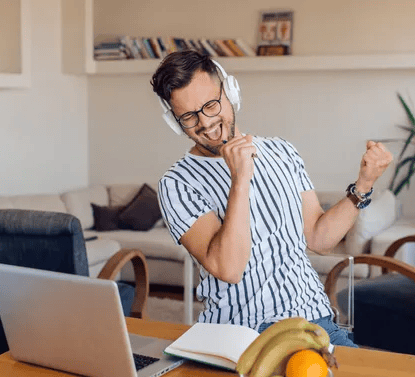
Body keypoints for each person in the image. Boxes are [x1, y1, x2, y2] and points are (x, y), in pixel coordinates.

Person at [151, 49, 393, 347]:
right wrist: (239, 179)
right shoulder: (177, 184)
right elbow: (229, 268)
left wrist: (364, 184)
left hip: (314, 323)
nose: (205, 122)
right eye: (188, 116)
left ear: (231, 92)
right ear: (175, 122)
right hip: (239, 334)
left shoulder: (282, 151)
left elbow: (318, 238)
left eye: (211, 105)